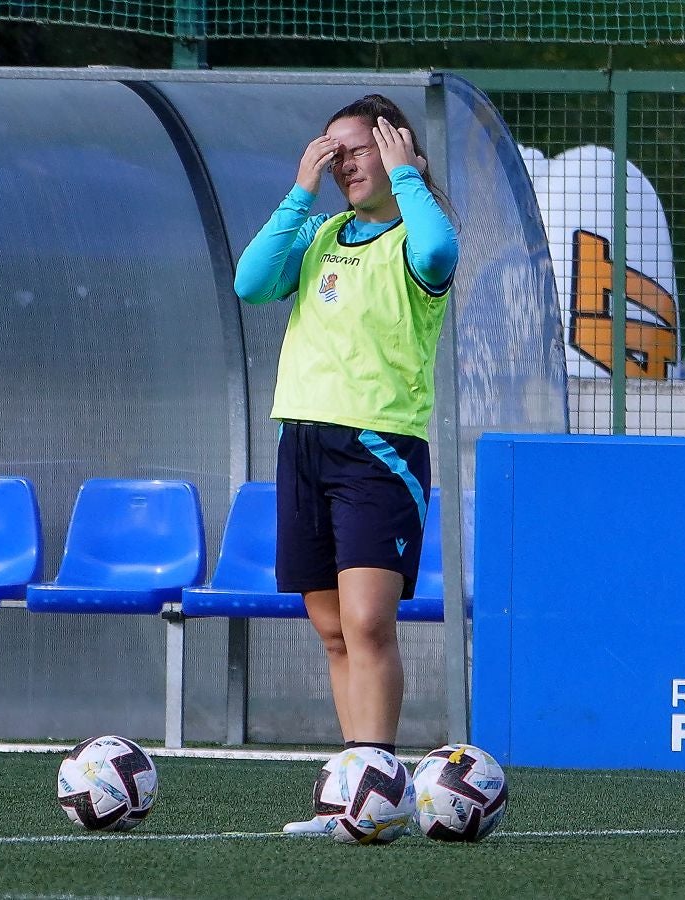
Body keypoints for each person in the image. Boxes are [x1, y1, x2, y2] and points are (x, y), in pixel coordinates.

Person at [232, 94, 458, 835]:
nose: (342, 164)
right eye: (331, 151)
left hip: (378, 448)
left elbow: (437, 254)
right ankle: (355, 798)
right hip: (302, 444)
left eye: (355, 149)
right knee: (331, 631)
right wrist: (300, 189)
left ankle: (378, 787)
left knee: (367, 622)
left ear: (394, 151)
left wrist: (410, 179)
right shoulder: (322, 231)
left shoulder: (416, 233)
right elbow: (252, 282)